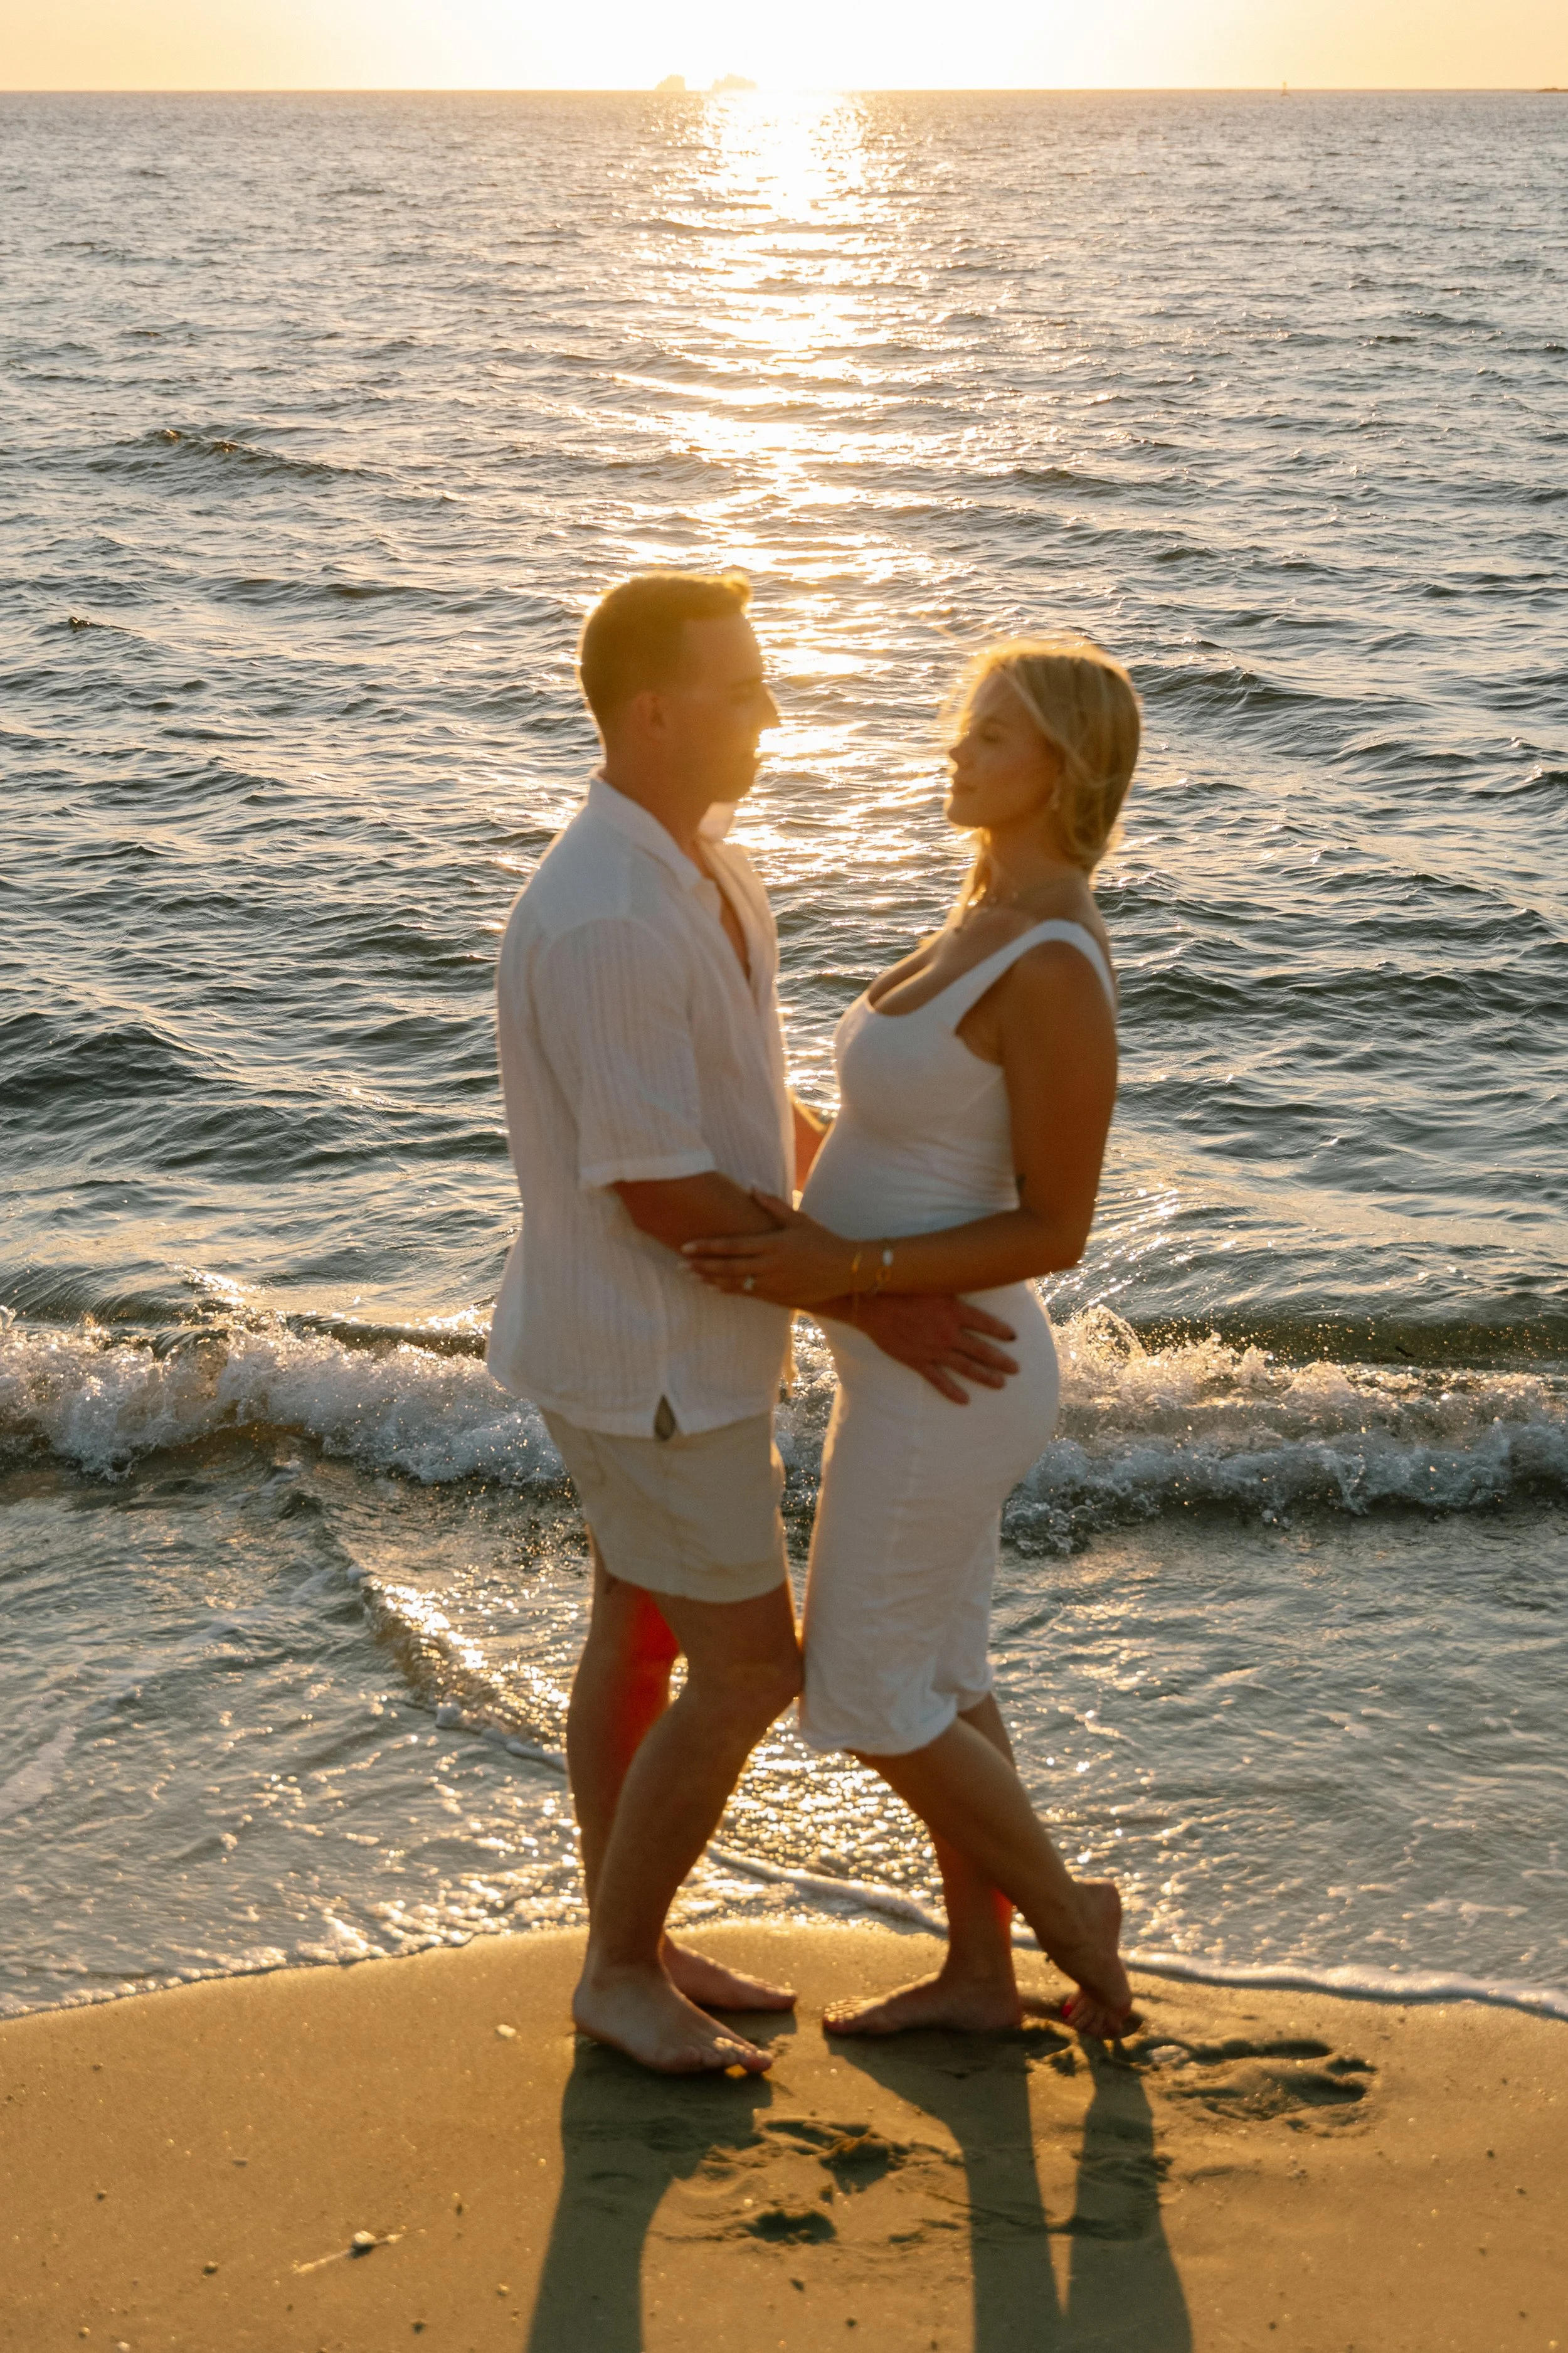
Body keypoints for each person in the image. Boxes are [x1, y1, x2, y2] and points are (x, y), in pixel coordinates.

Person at [486, 571, 1024, 2074]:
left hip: (681, 1348)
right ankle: (612, 1971)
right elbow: (658, 1186)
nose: (773, 711)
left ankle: (631, 1939)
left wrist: (871, 1246)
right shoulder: (604, 914)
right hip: (646, 1360)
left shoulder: (706, 871)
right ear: (653, 711)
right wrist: (878, 1298)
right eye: (743, 687)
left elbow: (742, 1116)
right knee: (745, 1669)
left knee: (641, 1628)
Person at [684, 637, 1140, 2038]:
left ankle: (1071, 1924)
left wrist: (845, 1261)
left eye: (989, 736)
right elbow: (893, 1138)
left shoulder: (1054, 961)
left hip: (960, 1374)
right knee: (944, 1678)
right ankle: (980, 1977)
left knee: (869, 1692)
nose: (954, 752)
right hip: (898, 1364)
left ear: (1058, 770)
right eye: (962, 728)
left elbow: (1054, 1226)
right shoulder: (969, 924)